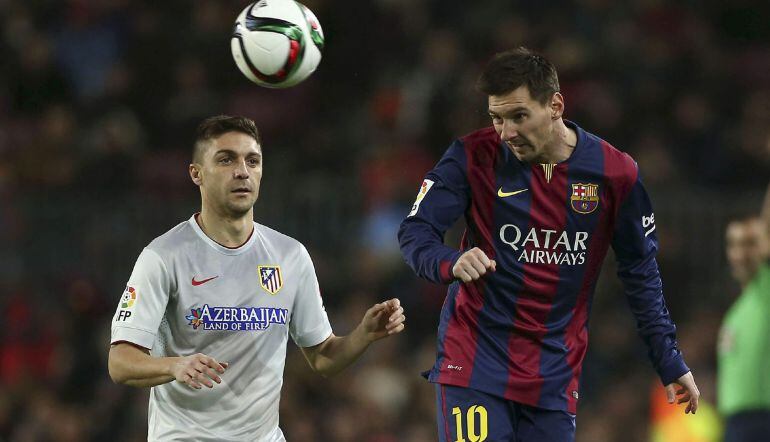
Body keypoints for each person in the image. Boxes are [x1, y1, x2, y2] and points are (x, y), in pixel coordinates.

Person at [398, 47, 698, 442]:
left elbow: (641, 271)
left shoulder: (614, 172)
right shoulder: (472, 156)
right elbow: (415, 231)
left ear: (555, 104)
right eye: (497, 118)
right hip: (476, 363)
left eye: (519, 116)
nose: (506, 132)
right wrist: (448, 261)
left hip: (553, 376)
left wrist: (669, 359)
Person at [108, 115, 406, 441]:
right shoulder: (164, 256)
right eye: (226, 160)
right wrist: (173, 366)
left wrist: (362, 334)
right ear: (197, 174)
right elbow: (121, 362)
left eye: (253, 160)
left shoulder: (290, 256)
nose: (242, 171)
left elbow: (323, 357)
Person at [718, 185, 770, 442]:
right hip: (735, 426)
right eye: (734, 244)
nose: (740, 253)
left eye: (750, 243)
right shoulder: (735, 313)